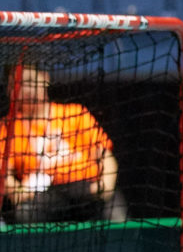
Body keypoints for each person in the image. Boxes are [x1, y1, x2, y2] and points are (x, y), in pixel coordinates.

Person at [0, 67, 120, 224]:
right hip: (44, 197)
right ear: (10, 91)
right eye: (18, 85)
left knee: (117, 216)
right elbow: (4, 173)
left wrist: (105, 186)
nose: (26, 90)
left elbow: (106, 158)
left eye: (29, 81)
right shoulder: (8, 127)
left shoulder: (75, 113)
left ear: (45, 78)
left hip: (87, 188)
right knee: (25, 213)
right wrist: (17, 192)